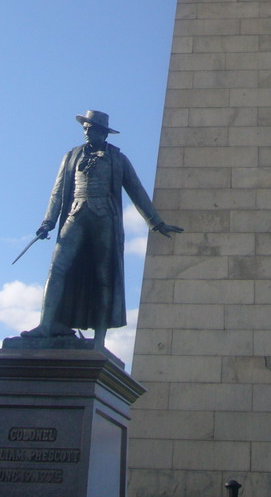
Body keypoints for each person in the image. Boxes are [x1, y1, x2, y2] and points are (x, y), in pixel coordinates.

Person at [21, 110, 181, 348]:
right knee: (57, 268)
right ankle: (46, 325)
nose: (87, 131)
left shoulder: (117, 158)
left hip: (104, 217)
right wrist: (48, 222)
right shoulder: (72, 155)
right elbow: (58, 191)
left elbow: (136, 191)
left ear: (103, 132)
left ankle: (99, 338)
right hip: (75, 214)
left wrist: (155, 222)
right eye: (85, 128)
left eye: (92, 128)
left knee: (103, 276)